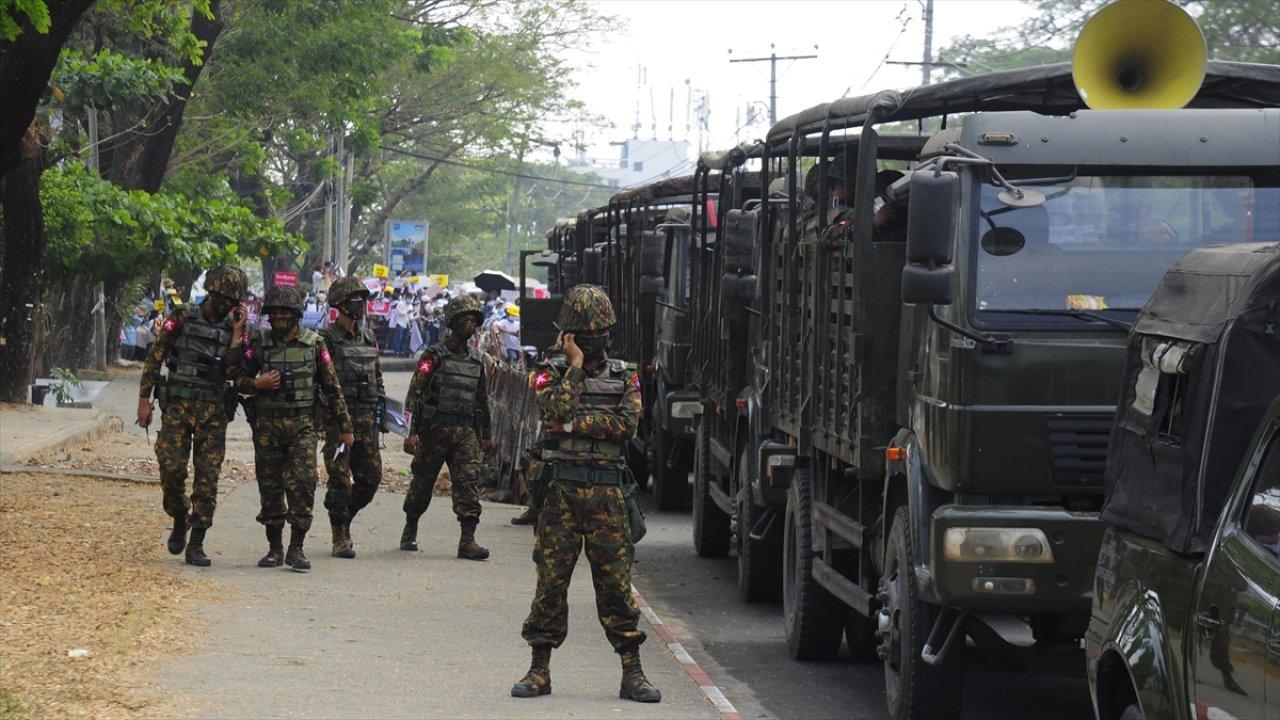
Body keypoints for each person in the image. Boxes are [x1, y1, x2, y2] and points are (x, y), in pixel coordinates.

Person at [512, 284, 660, 703]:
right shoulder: (548, 371)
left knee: (615, 586)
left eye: (594, 333)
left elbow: (626, 427)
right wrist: (574, 367)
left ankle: (633, 672)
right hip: (560, 492)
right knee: (551, 583)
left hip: (608, 495)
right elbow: (552, 411)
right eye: (582, 334)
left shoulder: (625, 374)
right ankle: (539, 669)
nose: (591, 340)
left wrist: (577, 425)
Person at [137, 265, 248, 567]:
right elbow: (156, 356)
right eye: (222, 297)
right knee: (170, 468)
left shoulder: (234, 328)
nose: (226, 304)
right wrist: (144, 401)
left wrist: (237, 337)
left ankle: (197, 542)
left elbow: (237, 374)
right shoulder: (183, 316)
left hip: (213, 413)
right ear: (211, 292)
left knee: (207, 479)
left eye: (232, 300)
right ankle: (178, 514)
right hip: (177, 408)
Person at [238, 285, 354, 572]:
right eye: (273, 313)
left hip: (303, 425)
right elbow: (236, 377)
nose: (278, 318)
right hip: (267, 426)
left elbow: (332, 386)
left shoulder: (314, 344)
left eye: (284, 313)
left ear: (296, 315)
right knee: (270, 487)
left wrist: (345, 426)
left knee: (303, 484)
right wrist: (256, 384)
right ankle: (275, 548)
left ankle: (296, 547)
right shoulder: (259, 343)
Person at [400, 295, 492, 561]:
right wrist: (411, 432)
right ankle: (411, 526)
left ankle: (468, 540)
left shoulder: (477, 360)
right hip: (434, 431)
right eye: (465, 319)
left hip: (464, 433)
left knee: (468, 484)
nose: (471, 325)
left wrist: (486, 435)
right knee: (422, 483)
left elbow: (481, 400)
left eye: (474, 320)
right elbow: (414, 394)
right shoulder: (433, 356)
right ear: (452, 323)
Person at [321, 277, 386, 559]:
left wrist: (382, 412)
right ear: (340, 305)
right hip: (339, 422)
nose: (359, 304)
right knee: (339, 479)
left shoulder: (369, 337)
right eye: (354, 299)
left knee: (371, 479)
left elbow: (378, 377)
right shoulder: (327, 340)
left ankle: (343, 515)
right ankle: (339, 535)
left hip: (367, 420)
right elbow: (321, 381)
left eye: (362, 299)